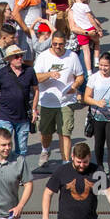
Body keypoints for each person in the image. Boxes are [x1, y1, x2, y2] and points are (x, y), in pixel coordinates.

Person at [41, 141, 110, 219]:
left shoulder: (97, 171)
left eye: (85, 162)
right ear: (72, 157)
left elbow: (109, 192)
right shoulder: (62, 171)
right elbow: (47, 194)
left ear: (89, 157)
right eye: (78, 162)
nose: (82, 165)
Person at [33, 32, 84, 168]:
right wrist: (49, 74)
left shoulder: (72, 56)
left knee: (65, 133)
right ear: (51, 42)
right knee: (45, 132)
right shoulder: (43, 57)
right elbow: (35, 77)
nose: (57, 47)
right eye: (55, 44)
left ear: (65, 43)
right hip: (47, 102)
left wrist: (74, 86)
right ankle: (45, 149)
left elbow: (80, 76)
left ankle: (66, 162)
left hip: (66, 102)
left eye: (61, 44)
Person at [84, 51, 110, 185]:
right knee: (98, 144)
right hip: (97, 116)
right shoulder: (94, 78)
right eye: (101, 65)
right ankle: (100, 168)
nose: (103, 68)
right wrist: (97, 103)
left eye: (106, 66)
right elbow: (86, 97)